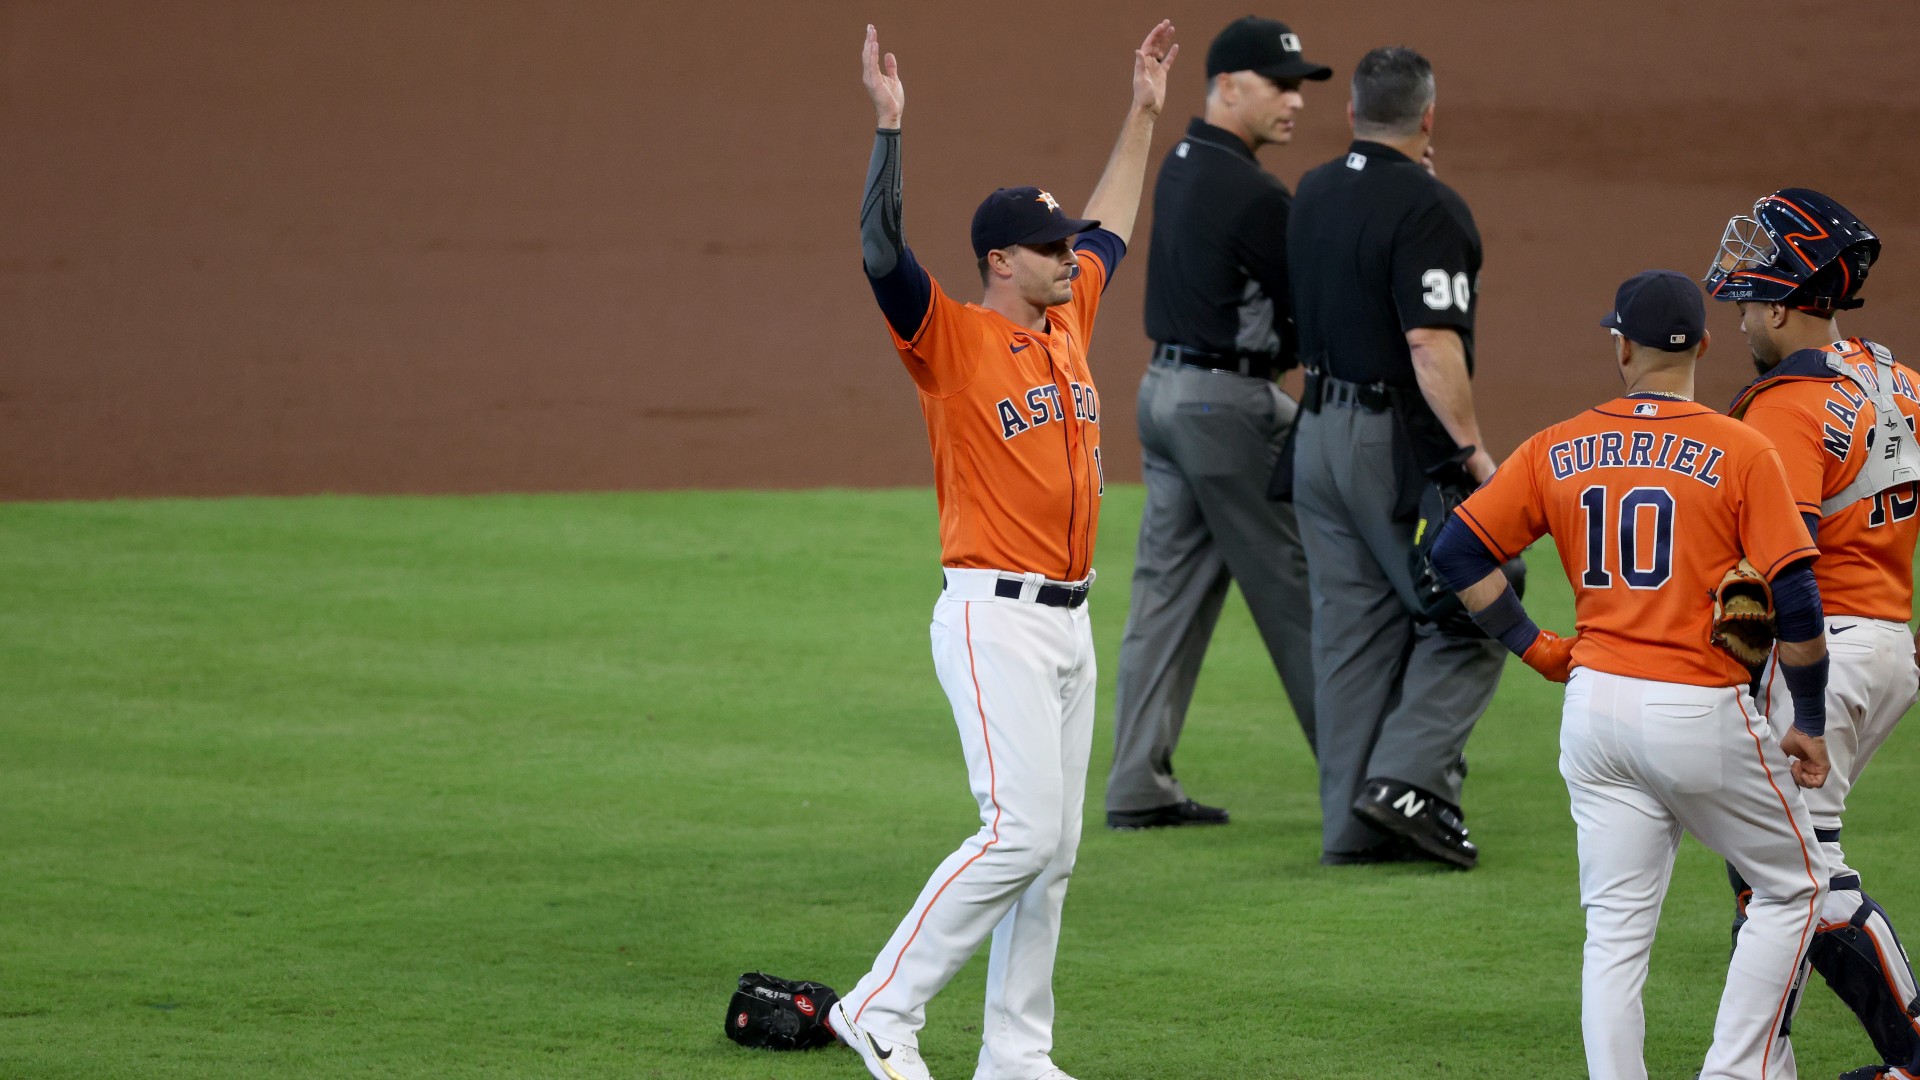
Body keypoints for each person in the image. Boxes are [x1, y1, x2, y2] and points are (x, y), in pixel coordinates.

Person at [828, 22, 1176, 1080]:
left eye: (1068, 246)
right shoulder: (949, 340)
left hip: (1072, 624)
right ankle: (880, 1009)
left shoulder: (1068, 323)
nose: (1073, 256)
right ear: (1000, 260)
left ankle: (1017, 1056)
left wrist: (1146, 108)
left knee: (1055, 857)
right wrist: (891, 129)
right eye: (1051, 247)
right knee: (1018, 832)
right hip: (993, 617)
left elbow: (1116, 216)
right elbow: (881, 251)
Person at [1431, 268, 1833, 1080]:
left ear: (1622, 346)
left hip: (1595, 709)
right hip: (1696, 712)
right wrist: (1812, 720)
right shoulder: (1742, 448)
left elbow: (1455, 551)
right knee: (1796, 888)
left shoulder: (1557, 444)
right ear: (1705, 345)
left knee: (1614, 935)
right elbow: (1795, 595)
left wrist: (1537, 645)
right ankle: (1735, 1073)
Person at [1707, 188, 1920, 1080]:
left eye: (1752, 303)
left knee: (1803, 879)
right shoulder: (1896, 377)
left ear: (1788, 306)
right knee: (1771, 871)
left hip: (1819, 653)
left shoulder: (1787, 405)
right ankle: (1764, 1060)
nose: (1742, 319)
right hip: (1887, 643)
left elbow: (1778, 559)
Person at [1105, 16, 1329, 832]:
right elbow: (1307, 315)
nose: (1296, 101)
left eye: (1299, 85)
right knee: (1303, 590)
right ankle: (1365, 786)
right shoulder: (1258, 192)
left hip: (1162, 397)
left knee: (1164, 599)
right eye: (1280, 84)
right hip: (1225, 411)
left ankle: (1135, 781)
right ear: (1228, 87)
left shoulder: (1185, 161)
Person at [1284, 46, 1503, 866]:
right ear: (1429, 117)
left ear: (1351, 114)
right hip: (1389, 445)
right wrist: (1473, 451)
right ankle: (1409, 780)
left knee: (1349, 633)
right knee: (1484, 593)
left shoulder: (1309, 190)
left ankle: (1352, 829)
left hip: (1316, 434)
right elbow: (1430, 341)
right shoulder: (1429, 207)